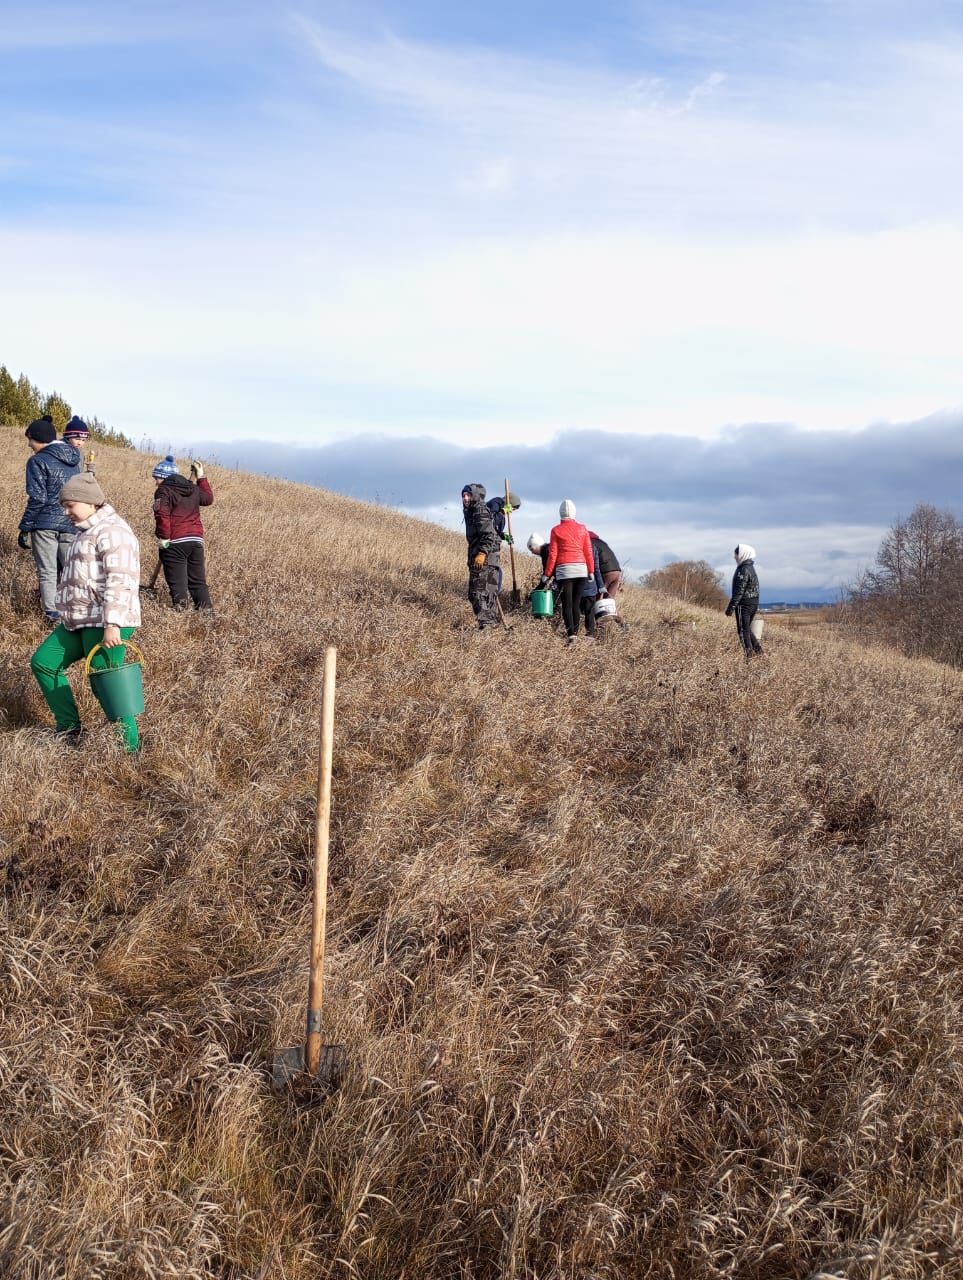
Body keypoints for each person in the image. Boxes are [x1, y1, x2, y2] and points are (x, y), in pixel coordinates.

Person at [29, 471, 142, 751]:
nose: (66, 512)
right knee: (44, 662)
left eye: (70, 505)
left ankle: (129, 746)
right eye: (64, 506)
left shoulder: (113, 531)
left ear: (90, 502)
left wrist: (112, 623)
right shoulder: (86, 531)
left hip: (106, 620)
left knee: (108, 682)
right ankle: (69, 729)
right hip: (78, 620)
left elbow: (121, 579)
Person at [17, 418, 81, 624]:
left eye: (30, 440)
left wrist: (25, 527)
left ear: (39, 439)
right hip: (71, 522)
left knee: (48, 571)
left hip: (44, 523)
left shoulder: (37, 461)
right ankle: (74, 611)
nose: (29, 445)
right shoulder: (74, 460)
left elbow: (38, 498)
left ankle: (52, 615)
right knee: (72, 570)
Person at [152, 455, 214, 611]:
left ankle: (181, 610)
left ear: (165, 477)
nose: (155, 482)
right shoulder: (192, 488)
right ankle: (206, 612)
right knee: (197, 581)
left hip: (175, 542)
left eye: (157, 478)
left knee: (177, 581)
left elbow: (162, 515)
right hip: (196, 541)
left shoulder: (163, 491)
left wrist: (164, 537)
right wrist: (202, 477)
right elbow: (208, 498)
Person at [542, 499, 594, 644]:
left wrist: (547, 574)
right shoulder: (583, 529)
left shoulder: (556, 530)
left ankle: (571, 635)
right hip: (581, 570)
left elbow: (553, 554)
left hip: (564, 571)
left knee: (567, 604)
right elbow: (588, 551)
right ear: (574, 512)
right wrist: (590, 570)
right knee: (576, 603)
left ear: (560, 513)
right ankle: (576, 632)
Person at [462, 483, 501, 630]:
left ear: (475, 496)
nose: (465, 498)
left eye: (468, 495)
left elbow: (489, 535)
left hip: (485, 559)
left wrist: (482, 553)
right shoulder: (472, 511)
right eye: (464, 495)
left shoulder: (479, 510)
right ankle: (488, 625)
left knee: (478, 593)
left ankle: (487, 626)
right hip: (484, 559)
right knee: (482, 594)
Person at [725, 543, 763, 658]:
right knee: (746, 630)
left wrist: (730, 608)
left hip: (744, 604)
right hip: (753, 603)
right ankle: (759, 653)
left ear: (742, 554)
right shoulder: (750, 567)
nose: (735, 557)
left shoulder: (743, 570)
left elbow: (739, 591)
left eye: (736, 554)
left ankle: (749, 658)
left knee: (742, 631)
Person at [486, 491, 520, 593]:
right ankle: (494, 593)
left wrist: (503, 536)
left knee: (496, 571)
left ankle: (493, 593)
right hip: (485, 544)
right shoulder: (496, 503)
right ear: (510, 503)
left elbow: (495, 530)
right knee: (496, 571)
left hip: (492, 545)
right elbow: (490, 522)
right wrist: (502, 512)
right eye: (513, 508)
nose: (512, 511)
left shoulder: (501, 510)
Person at [577, 536, 606, 641]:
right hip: (590, 585)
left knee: (576, 610)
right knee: (589, 612)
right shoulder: (592, 548)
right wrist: (601, 585)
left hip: (576, 585)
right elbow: (596, 569)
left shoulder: (573, 547)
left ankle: (574, 633)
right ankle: (590, 636)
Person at [589, 531, 622, 597]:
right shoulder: (602, 542)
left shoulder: (590, 543)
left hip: (605, 572)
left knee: (598, 598)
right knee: (609, 600)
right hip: (617, 571)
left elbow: (591, 560)